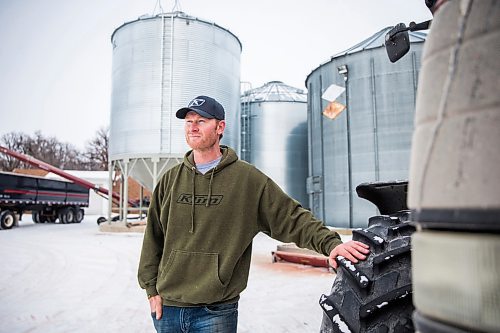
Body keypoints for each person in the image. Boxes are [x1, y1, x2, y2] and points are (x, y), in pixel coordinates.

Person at [138, 95, 370, 333]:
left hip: (215, 311)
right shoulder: (170, 180)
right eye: (188, 121)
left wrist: (330, 244)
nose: (193, 126)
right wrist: (151, 289)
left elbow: (290, 216)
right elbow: (153, 238)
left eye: (201, 120)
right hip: (169, 308)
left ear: (220, 127)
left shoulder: (247, 180)